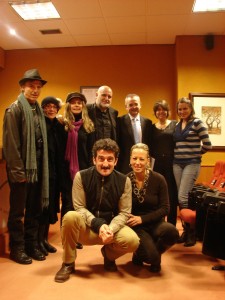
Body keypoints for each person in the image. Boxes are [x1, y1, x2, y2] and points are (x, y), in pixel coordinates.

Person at [54, 138, 139, 283]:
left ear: (116, 161)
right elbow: (79, 207)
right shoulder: (81, 177)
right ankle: (68, 263)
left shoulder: (124, 181)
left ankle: (109, 256)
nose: (105, 164)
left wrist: (110, 229)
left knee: (132, 241)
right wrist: (98, 225)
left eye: (110, 159)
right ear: (94, 159)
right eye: (101, 159)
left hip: (111, 230)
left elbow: (124, 212)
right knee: (69, 216)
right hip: (87, 229)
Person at [3, 69, 48, 264]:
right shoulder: (14, 109)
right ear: (22, 87)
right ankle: (17, 248)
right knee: (17, 212)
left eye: (38, 87)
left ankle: (31, 245)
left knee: (34, 208)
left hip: (37, 166)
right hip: (22, 169)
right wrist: (18, 172)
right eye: (31, 86)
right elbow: (11, 144)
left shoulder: (37, 109)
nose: (35, 90)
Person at [127, 143, 179, 273]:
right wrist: (136, 221)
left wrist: (142, 219)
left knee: (172, 232)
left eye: (141, 159)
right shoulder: (125, 179)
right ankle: (148, 255)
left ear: (148, 161)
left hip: (155, 222)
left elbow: (165, 208)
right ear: (130, 159)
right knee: (151, 258)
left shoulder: (159, 179)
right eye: (134, 158)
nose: (137, 162)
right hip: (136, 226)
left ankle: (150, 253)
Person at [173, 97, 212, 247]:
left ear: (191, 109)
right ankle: (185, 230)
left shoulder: (197, 123)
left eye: (185, 108)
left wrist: (196, 154)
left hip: (191, 164)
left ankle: (192, 232)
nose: (182, 111)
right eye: (180, 109)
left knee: (183, 197)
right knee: (181, 197)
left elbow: (208, 145)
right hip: (177, 164)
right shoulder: (177, 124)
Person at [61, 92, 95, 218]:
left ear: (83, 106)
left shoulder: (89, 126)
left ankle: (81, 237)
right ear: (68, 105)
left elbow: (92, 151)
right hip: (66, 173)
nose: (76, 105)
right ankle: (66, 235)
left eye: (79, 103)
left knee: (83, 205)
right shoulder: (62, 125)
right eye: (73, 103)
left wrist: (91, 171)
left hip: (84, 171)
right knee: (68, 204)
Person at [39, 96, 66, 255]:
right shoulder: (40, 124)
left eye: (54, 107)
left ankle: (44, 239)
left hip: (55, 172)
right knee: (42, 207)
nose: (51, 109)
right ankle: (38, 241)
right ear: (43, 108)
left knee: (50, 207)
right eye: (47, 106)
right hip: (44, 172)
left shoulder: (58, 125)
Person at [151, 100, 178, 226]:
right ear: (155, 113)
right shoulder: (152, 127)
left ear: (168, 111)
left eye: (163, 109)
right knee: (158, 192)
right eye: (158, 110)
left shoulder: (175, 124)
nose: (161, 112)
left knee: (171, 193)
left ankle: (172, 224)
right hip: (157, 164)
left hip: (172, 163)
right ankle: (159, 223)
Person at [117, 94, 152, 174]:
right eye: (130, 105)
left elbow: (150, 143)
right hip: (126, 163)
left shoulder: (147, 122)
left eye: (136, 104)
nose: (134, 107)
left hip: (143, 162)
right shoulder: (119, 121)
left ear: (140, 105)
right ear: (126, 107)